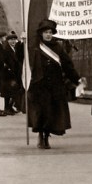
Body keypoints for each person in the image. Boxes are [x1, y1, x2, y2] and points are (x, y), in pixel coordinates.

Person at [27, 19, 80, 149]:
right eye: (46, 32)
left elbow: (68, 66)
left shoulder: (58, 47)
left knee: (51, 113)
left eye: (50, 32)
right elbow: (25, 64)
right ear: (41, 34)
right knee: (41, 113)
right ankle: (42, 136)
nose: (48, 35)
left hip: (55, 86)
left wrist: (77, 79)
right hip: (39, 86)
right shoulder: (34, 47)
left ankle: (46, 136)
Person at [1, 31, 24, 115]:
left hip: (15, 74)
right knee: (8, 93)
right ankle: (6, 108)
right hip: (8, 75)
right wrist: (9, 70)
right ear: (8, 40)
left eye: (15, 39)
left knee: (14, 92)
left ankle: (10, 107)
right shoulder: (6, 49)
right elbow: (4, 62)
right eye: (11, 40)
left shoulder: (15, 48)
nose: (13, 41)